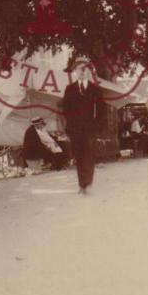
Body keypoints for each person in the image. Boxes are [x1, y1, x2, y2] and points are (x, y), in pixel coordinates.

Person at [61, 59, 104, 194]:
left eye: (85, 69)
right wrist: (70, 126)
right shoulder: (69, 89)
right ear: (75, 72)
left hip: (90, 129)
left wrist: (96, 125)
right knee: (79, 156)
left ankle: (88, 183)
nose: (82, 71)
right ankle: (82, 185)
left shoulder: (95, 89)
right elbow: (65, 110)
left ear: (89, 72)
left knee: (89, 156)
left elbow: (101, 110)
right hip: (75, 129)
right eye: (79, 69)